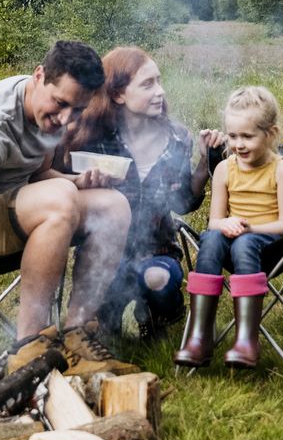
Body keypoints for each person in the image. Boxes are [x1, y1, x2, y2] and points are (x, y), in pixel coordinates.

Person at [0, 39, 132, 372]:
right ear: (39, 75)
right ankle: (29, 348)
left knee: (113, 206)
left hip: (12, 207)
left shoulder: (53, 114)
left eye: (76, 110)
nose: (65, 119)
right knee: (59, 200)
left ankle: (76, 337)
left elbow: (42, 174)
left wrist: (78, 182)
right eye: (60, 104)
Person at [58, 45, 226, 339]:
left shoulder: (177, 137)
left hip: (158, 251)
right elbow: (62, 189)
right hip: (104, 255)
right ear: (118, 94)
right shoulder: (92, 139)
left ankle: (158, 313)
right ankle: (105, 320)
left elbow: (184, 202)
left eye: (159, 81)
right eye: (148, 84)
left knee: (157, 277)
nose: (160, 91)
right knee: (103, 334)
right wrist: (83, 183)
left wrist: (203, 165)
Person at [176, 86, 283, 369]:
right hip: (230, 236)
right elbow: (215, 221)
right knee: (211, 238)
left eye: (248, 136)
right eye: (233, 136)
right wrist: (227, 223)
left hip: (267, 240)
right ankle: (199, 337)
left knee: (243, 242)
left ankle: (247, 340)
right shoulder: (224, 169)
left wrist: (248, 227)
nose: (239, 144)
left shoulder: (282, 171)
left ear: (270, 134)